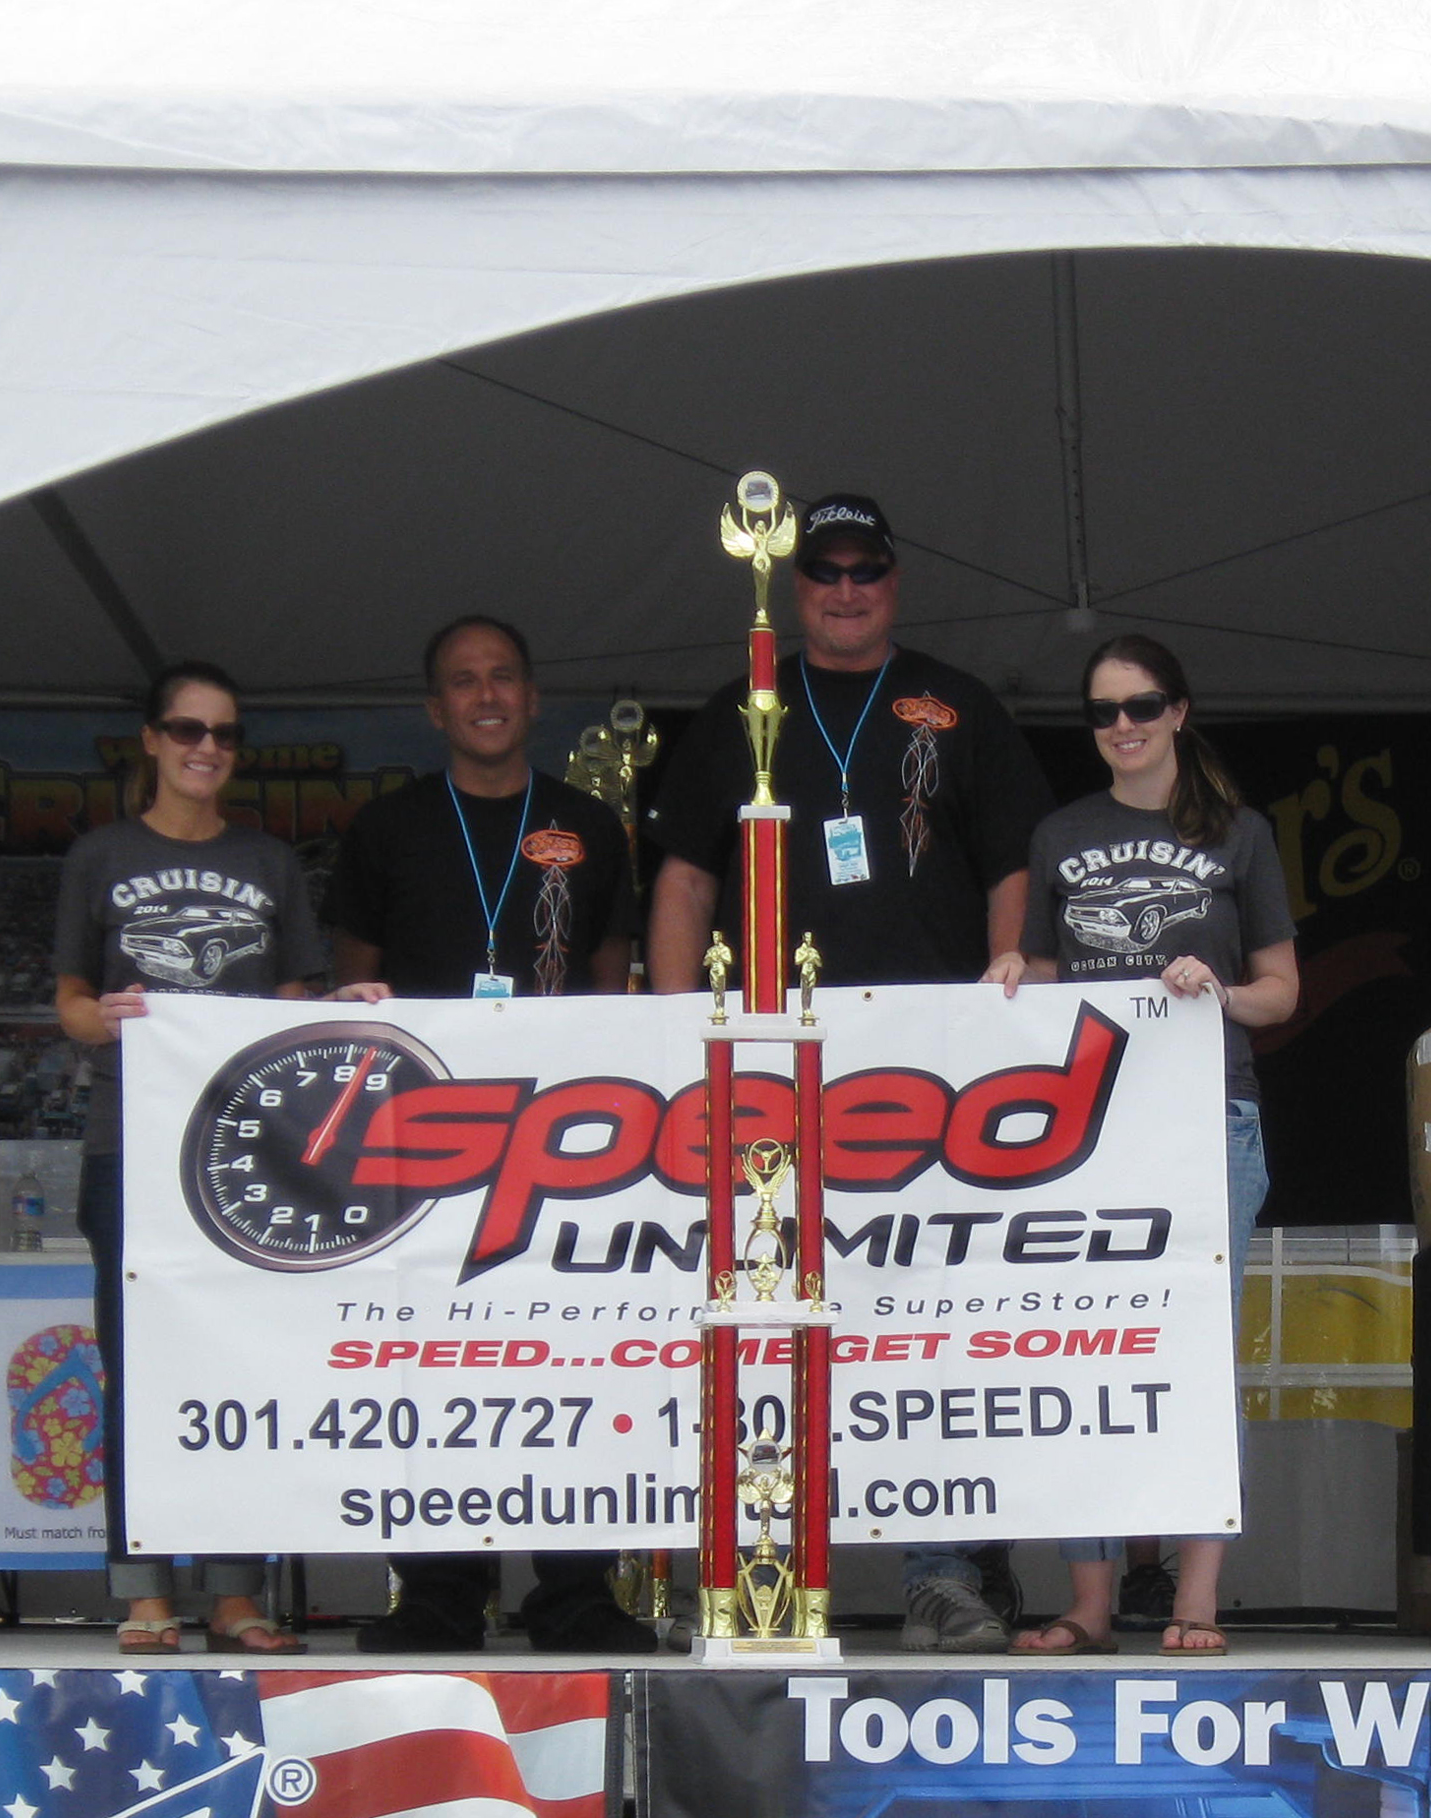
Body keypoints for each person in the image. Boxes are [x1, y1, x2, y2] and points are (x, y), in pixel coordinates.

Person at [645, 492, 1054, 1651]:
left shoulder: (958, 704)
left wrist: (1001, 1000)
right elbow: (685, 875)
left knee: (936, 1312)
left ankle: (947, 1574)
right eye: (821, 570)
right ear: (796, 583)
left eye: (862, 569)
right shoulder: (741, 707)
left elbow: (1012, 866)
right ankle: (736, 1566)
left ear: (894, 579)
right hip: (769, 1058)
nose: (841, 589)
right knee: (754, 1302)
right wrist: (675, 1030)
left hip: (934, 1060)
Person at [326, 614, 651, 1654]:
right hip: (428, 1134)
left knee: (570, 1356)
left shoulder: (588, 824)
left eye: (503, 676)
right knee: (437, 1361)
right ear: (436, 708)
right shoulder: (387, 828)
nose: (486, 695)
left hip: (564, 1134)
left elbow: (610, 985)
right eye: (464, 681)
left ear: (533, 696)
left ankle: (575, 1589)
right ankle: (439, 1591)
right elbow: (352, 987)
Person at [56, 659, 386, 1656]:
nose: (207, 748)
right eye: (189, 730)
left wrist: (336, 1009)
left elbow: (288, 1009)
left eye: (225, 734)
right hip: (130, 1140)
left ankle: (237, 1593)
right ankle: (143, 1592)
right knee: (137, 1367)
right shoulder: (99, 855)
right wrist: (108, 1019)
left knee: (245, 1367)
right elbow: (71, 1005)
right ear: (152, 740)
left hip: (245, 1152)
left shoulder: (269, 861)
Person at [986, 632, 1299, 1658]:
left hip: (1208, 1113)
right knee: (1080, 1348)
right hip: (1089, 1123)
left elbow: (1282, 991)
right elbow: (1046, 968)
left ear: (1178, 711)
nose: (1122, 726)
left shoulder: (1239, 833)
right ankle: (1087, 1600)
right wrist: (1014, 971)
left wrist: (1218, 991)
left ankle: (1196, 1600)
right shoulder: (1060, 832)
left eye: (1140, 706)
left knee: (1200, 1354)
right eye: (1102, 711)